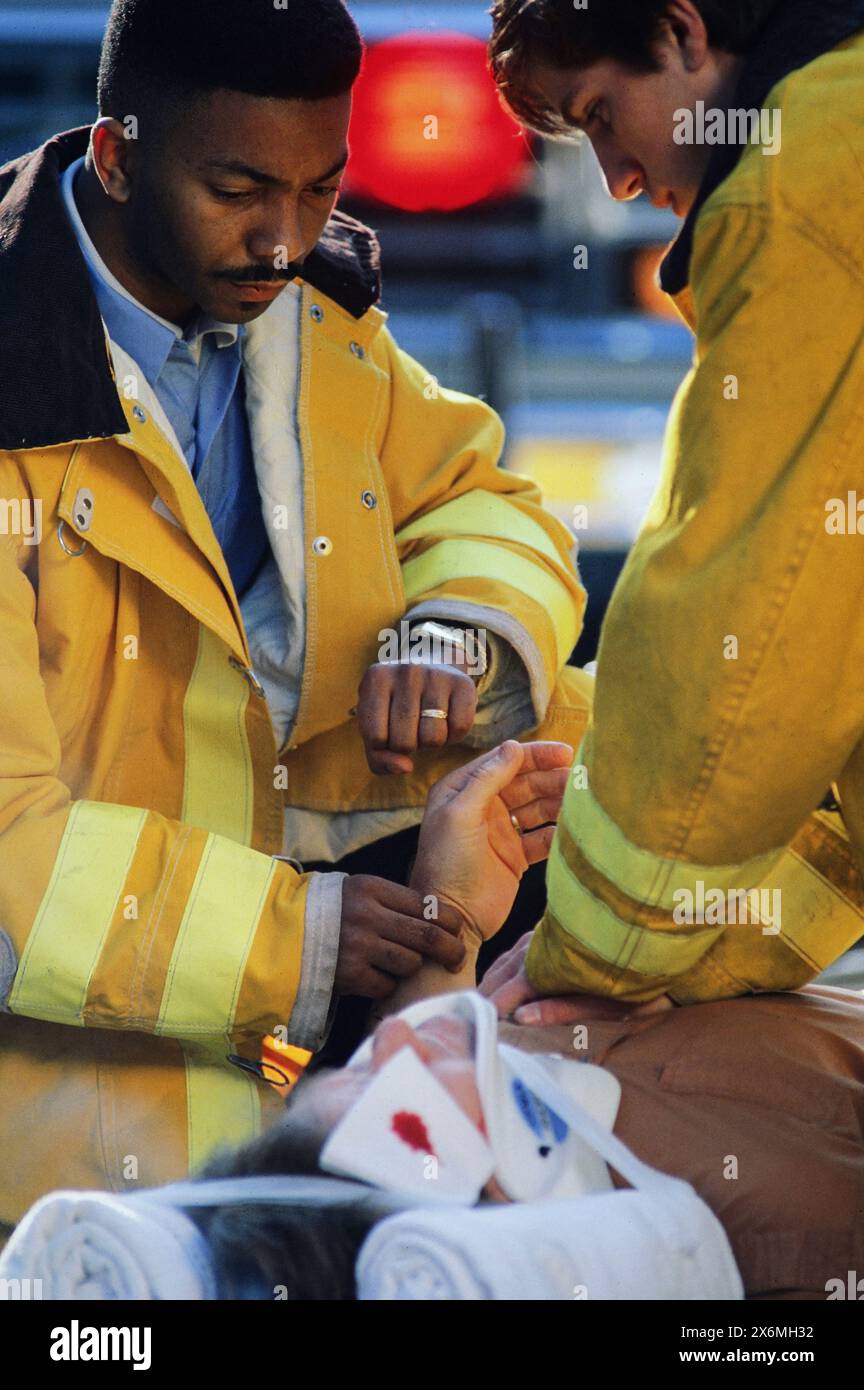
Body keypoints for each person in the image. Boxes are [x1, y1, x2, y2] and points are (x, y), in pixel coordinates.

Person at [0, 0, 592, 1227]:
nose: (283, 239)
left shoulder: (315, 327)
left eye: (322, 190)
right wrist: (302, 942)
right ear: (114, 154)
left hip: (287, 1085)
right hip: (63, 1168)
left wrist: (458, 629)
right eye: (238, 190)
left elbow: (488, 504)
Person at [5, 738, 859, 1298]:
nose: (405, 1034)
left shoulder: (517, 1096)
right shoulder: (784, 1226)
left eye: (360, 1067)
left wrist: (447, 916)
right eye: (404, 1098)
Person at [480, 0, 864, 1010]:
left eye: (602, 115)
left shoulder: (800, 188)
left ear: (684, 31)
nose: (616, 182)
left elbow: (748, 622)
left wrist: (594, 951)